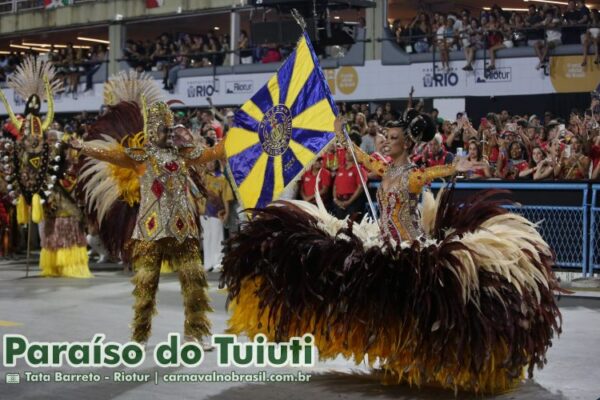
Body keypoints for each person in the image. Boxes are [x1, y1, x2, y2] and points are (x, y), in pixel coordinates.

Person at [221, 110, 562, 393]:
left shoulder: (411, 175)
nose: (386, 140)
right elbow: (364, 158)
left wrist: (453, 168)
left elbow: (429, 174)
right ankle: (390, 351)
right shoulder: (387, 169)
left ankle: (423, 357)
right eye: (385, 135)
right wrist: (342, 135)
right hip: (383, 243)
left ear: (407, 143)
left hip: (408, 249)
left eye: (393, 137)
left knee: (411, 306)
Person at [74, 79, 226, 347]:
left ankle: (196, 333)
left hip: (184, 229)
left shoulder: (184, 154)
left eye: (168, 127)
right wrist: (83, 147)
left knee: (194, 282)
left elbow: (213, 153)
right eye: (161, 128)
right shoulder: (140, 156)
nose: (166, 132)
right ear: (151, 129)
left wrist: (236, 139)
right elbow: (110, 155)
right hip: (150, 229)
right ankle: (140, 335)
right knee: (145, 286)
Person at [0, 56, 91, 278]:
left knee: (65, 221)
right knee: (50, 226)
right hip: (42, 193)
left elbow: (69, 159)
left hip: (58, 188)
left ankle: (68, 263)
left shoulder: (55, 138)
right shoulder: (23, 144)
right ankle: (52, 263)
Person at [197, 160, 233, 272]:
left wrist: (227, 212)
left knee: (218, 238)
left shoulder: (222, 178)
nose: (210, 164)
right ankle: (208, 264)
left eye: (213, 162)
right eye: (208, 162)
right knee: (207, 237)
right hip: (204, 213)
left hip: (217, 213)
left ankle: (218, 263)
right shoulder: (202, 178)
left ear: (217, 164)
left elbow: (226, 198)